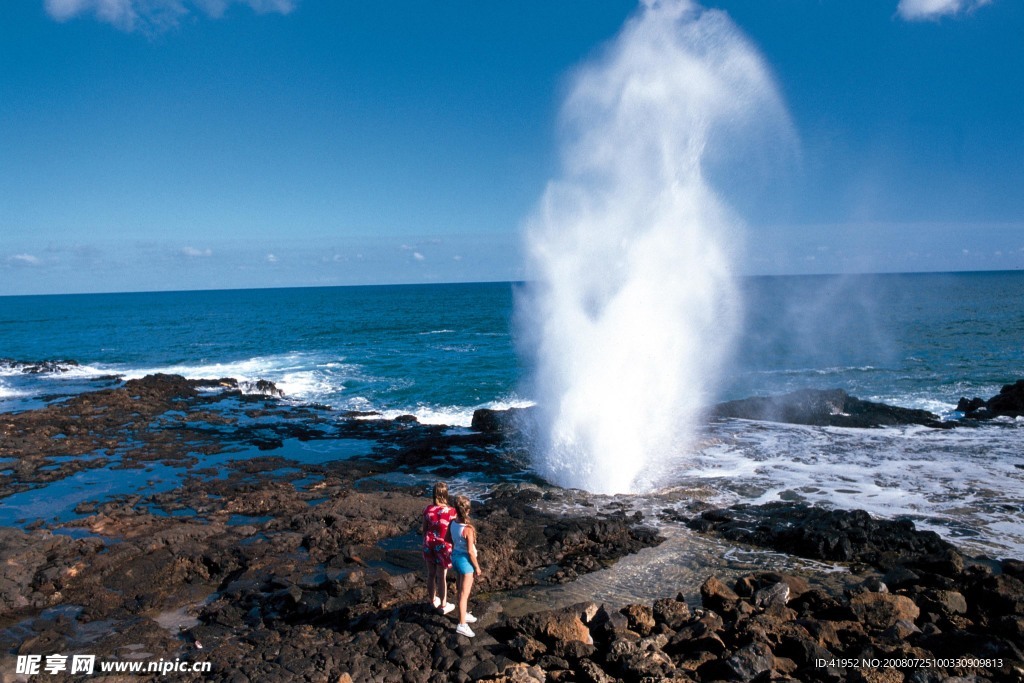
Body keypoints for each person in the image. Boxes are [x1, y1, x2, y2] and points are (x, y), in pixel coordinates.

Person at [445, 495, 482, 637]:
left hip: (455, 558)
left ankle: (463, 614)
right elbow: (471, 552)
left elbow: (448, 539)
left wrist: (457, 545)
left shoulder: (452, 523)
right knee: (463, 594)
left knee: (460, 590)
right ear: (467, 510)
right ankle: (462, 624)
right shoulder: (468, 529)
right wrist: (477, 567)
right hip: (466, 563)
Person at [422, 482, 457, 614]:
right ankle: (443, 605)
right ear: (446, 494)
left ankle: (432, 600)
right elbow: (453, 532)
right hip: (443, 546)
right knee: (441, 576)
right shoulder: (452, 512)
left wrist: (424, 544)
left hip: (429, 544)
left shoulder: (428, 509)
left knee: (431, 574)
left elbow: (424, 530)